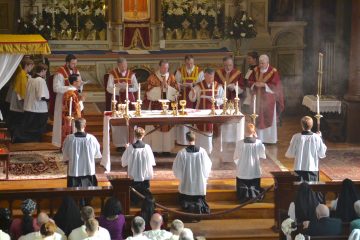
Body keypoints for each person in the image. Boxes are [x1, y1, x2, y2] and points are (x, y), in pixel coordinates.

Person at [143, 59, 179, 153]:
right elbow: (148, 93)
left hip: (168, 106)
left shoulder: (171, 77)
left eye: (167, 67)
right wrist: (160, 88)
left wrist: (168, 88)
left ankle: (167, 149)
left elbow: (176, 92)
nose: (165, 69)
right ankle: (156, 149)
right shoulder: (152, 77)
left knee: (167, 126)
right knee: (155, 127)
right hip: (156, 105)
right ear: (159, 67)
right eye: (163, 67)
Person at [248, 54, 284, 144]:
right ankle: (258, 138)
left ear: (268, 62)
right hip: (257, 99)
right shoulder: (255, 70)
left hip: (268, 100)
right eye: (260, 63)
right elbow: (249, 81)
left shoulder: (273, 72)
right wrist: (254, 84)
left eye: (262, 63)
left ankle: (269, 139)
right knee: (257, 117)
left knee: (268, 117)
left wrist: (264, 85)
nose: (260, 65)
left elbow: (276, 86)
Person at [172, 131, 212, 213]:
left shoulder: (182, 153)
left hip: (187, 184)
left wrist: (181, 177)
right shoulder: (202, 152)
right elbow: (207, 166)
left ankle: (189, 207)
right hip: (199, 184)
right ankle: (198, 206)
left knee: (186, 198)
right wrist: (204, 177)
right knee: (198, 198)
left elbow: (177, 168)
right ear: (195, 138)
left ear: (186, 139)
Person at [189, 68, 224, 154]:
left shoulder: (218, 86)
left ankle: (213, 152)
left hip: (214, 113)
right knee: (200, 133)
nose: (210, 80)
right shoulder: (198, 86)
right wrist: (193, 93)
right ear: (204, 76)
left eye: (212, 78)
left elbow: (223, 99)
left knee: (213, 131)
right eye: (208, 78)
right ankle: (200, 150)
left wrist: (216, 101)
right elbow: (192, 99)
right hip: (201, 113)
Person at [106, 58, 139, 150]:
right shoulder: (112, 74)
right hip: (117, 99)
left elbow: (136, 87)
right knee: (119, 121)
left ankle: (131, 140)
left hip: (129, 100)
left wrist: (128, 89)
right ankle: (120, 144)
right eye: (122, 66)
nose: (124, 67)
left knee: (130, 120)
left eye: (126, 65)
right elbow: (109, 88)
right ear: (118, 65)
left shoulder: (131, 74)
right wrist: (119, 89)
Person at [13, 63, 49, 143]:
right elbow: (42, 96)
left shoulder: (30, 79)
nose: (45, 73)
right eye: (45, 71)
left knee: (28, 126)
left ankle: (20, 139)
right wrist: (48, 99)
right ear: (42, 70)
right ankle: (34, 141)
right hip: (38, 109)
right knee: (37, 127)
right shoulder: (41, 81)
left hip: (29, 107)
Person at [52, 54, 82, 147]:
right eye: (72, 63)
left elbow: (80, 84)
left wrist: (80, 87)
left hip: (74, 101)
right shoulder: (60, 72)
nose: (74, 66)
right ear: (67, 62)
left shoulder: (76, 71)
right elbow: (56, 88)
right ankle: (61, 144)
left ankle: (74, 143)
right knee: (62, 122)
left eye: (75, 63)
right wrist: (70, 88)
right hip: (62, 101)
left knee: (74, 122)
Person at [285, 116, 327, 181]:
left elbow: (290, 153)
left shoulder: (296, 137)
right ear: (312, 125)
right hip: (312, 168)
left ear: (302, 125)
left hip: (299, 167)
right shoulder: (316, 137)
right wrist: (320, 137)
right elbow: (321, 153)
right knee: (312, 189)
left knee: (299, 188)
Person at [63, 118, 101, 188]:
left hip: (74, 170)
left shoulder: (69, 138)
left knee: (73, 193)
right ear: (85, 125)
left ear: (75, 126)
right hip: (88, 169)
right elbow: (96, 154)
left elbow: (65, 153)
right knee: (90, 191)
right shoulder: (92, 138)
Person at [121, 127, 156, 204]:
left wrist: (127, 149)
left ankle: (135, 202)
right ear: (143, 135)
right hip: (145, 176)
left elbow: (124, 162)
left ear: (135, 135)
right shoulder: (147, 147)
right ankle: (146, 202)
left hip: (134, 176)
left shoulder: (131, 148)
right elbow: (152, 162)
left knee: (134, 190)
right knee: (145, 190)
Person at [175, 55, 204, 146]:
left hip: (194, 97)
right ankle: (182, 140)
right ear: (185, 62)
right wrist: (181, 85)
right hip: (183, 96)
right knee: (182, 116)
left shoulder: (199, 71)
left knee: (193, 116)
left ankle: (193, 139)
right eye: (187, 63)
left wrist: (194, 85)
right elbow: (176, 82)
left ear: (194, 62)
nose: (189, 65)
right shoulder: (180, 71)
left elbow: (202, 84)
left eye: (191, 63)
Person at [233, 123, 266, 203]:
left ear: (244, 132)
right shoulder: (258, 142)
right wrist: (257, 138)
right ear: (254, 131)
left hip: (242, 170)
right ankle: (254, 196)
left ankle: (243, 197)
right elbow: (262, 155)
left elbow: (236, 157)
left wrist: (241, 164)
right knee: (254, 181)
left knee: (242, 178)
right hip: (254, 169)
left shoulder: (239, 143)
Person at [5, 57, 34, 137]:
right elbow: (22, 89)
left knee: (16, 120)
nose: (31, 68)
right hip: (18, 101)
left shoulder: (23, 74)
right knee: (17, 121)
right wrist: (26, 101)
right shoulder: (22, 74)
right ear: (27, 65)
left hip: (17, 100)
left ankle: (14, 136)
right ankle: (15, 136)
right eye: (31, 66)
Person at [61, 74, 84, 144]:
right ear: (74, 82)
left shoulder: (67, 91)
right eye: (79, 81)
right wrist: (81, 100)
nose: (81, 82)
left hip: (66, 117)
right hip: (73, 118)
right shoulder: (72, 93)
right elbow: (75, 108)